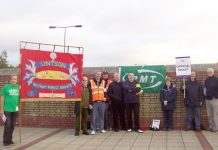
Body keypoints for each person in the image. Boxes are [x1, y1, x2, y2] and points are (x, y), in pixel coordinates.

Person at [0, 74, 20, 147]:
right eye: (12, 79)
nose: (14, 80)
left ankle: (10, 140)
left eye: (15, 79)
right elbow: (2, 98)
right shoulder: (6, 87)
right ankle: (6, 142)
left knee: (12, 126)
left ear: (16, 80)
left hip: (15, 110)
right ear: (10, 80)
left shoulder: (18, 87)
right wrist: (1, 109)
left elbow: (20, 97)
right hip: (6, 110)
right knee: (7, 125)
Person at [205, 68, 218, 132]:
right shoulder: (206, 80)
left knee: (215, 114)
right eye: (208, 72)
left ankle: (215, 128)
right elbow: (205, 89)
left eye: (211, 72)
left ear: (213, 72)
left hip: (214, 99)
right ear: (207, 73)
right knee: (209, 114)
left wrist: (216, 96)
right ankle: (210, 127)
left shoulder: (216, 79)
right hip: (207, 99)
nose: (209, 72)